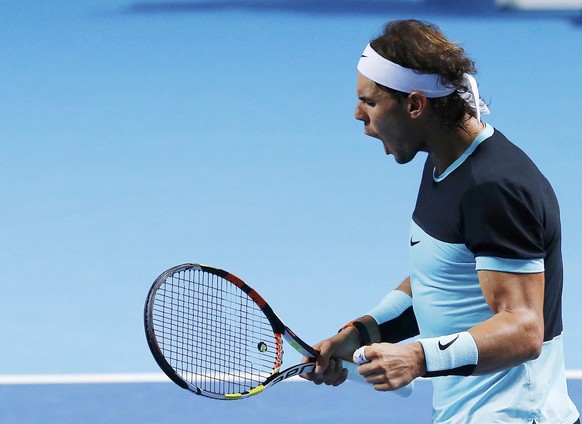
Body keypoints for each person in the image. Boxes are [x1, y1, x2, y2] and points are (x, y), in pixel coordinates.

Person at [302, 19, 580, 423]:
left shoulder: (493, 188)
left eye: (371, 102)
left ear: (416, 105)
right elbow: (443, 281)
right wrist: (362, 334)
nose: (357, 114)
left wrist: (416, 358)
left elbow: (523, 329)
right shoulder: (444, 161)